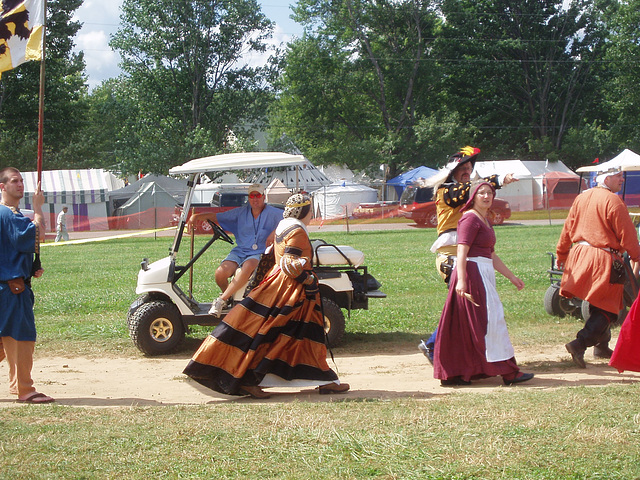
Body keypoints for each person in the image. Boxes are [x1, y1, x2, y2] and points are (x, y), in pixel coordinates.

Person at [183, 193, 350, 399]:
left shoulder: (283, 225)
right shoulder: (297, 230)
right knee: (276, 336)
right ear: (305, 212)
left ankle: (326, 380)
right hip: (290, 291)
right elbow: (290, 264)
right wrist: (309, 280)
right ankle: (248, 379)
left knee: (308, 336)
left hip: (281, 286)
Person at [418, 146, 517, 362]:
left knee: (464, 307)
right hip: (451, 257)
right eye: (463, 168)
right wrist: (500, 179)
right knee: (462, 306)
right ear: (453, 171)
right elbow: (471, 190)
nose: (467, 172)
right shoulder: (448, 190)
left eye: (470, 168)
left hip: (468, 257)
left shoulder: (464, 190)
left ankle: (441, 346)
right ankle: (435, 345)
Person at [433, 181, 534, 386]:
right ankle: (507, 372)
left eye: (490, 193)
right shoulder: (470, 219)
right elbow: (462, 252)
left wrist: (512, 277)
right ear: (473, 196)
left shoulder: (484, 220)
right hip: (472, 274)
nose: (487, 197)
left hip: (482, 272)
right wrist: (462, 281)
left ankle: (461, 373)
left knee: (474, 325)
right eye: (482, 193)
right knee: (490, 323)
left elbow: (492, 255)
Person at [557, 168, 640, 368]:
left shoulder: (581, 198)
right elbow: (627, 233)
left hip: (580, 255)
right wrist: (637, 255)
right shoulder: (613, 201)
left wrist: (561, 253)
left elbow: (568, 228)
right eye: (618, 176)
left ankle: (602, 347)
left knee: (601, 301)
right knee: (608, 308)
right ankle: (580, 343)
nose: (622, 179)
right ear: (606, 178)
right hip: (603, 258)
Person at [0, 167, 54, 403]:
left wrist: (28, 268)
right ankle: (25, 389)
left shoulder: (9, 214)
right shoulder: (9, 215)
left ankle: (18, 385)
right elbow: (38, 235)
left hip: (10, 284)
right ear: (2, 187)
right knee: (21, 338)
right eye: (14, 181)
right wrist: (39, 207)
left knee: (3, 341)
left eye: (21, 180)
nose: (20, 184)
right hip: (12, 290)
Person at [188, 184, 283, 317]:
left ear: (263, 197)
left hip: (259, 253)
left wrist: (274, 232)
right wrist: (196, 217)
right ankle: (230, 298)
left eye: (258, 195)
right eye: (252, 196)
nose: (255, 199)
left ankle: (221, 300)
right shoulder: (241, 212)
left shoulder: (273, 213)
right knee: (220, 274)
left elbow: (291, 219)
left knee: (249, 265)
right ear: (248, 198)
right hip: (241, 251)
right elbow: (217, 216)